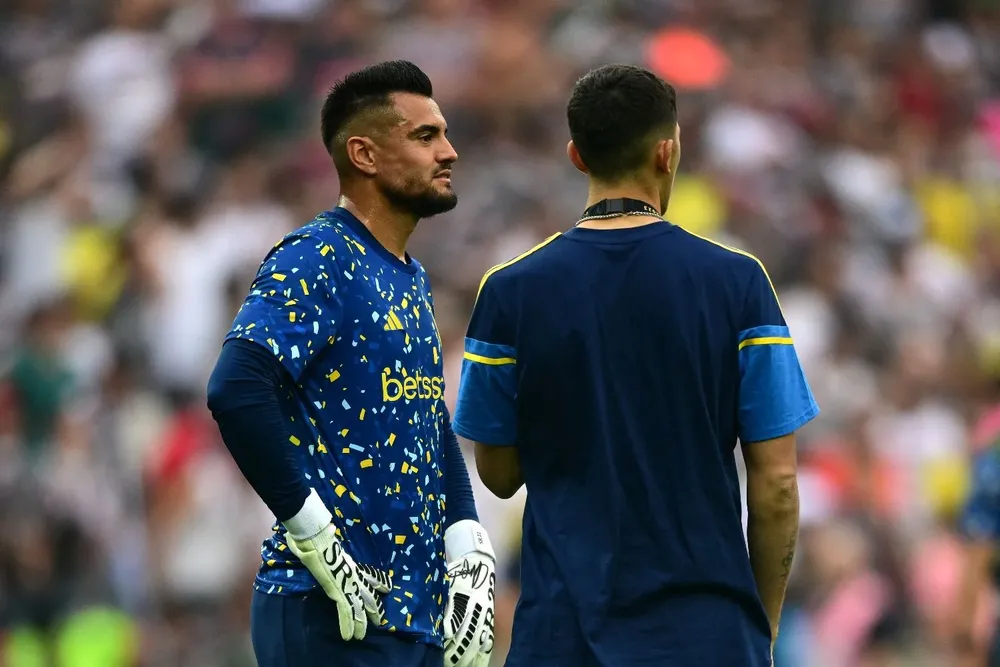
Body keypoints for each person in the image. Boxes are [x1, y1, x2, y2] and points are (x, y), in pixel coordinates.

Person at [453, 64, 819, 667]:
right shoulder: (739, 283)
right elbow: (776, 486)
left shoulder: (510, 292)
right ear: (667, 152)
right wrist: (763, 628)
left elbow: (498, 473)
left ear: (576, 155)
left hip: (564, 633)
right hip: (708, 633)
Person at [206, 60, 496, 667]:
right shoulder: (320, 255)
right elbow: (237, 387)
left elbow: (425, 421)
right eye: (425, 136)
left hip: (411, 617)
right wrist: (311, 530)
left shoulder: (409, 275)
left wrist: (468, 545)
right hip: (329, 610)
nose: (450, 152)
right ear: (363, 154)